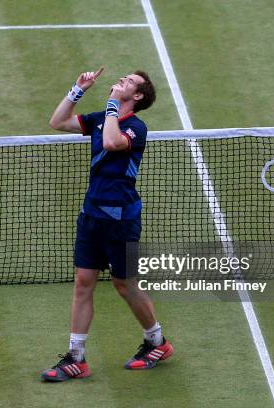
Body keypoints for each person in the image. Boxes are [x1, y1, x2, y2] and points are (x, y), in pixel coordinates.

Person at [41, 67, 173, 382]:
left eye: (130, 82)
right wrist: (78, 89)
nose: (122, 81)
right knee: (83, 283)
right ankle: (76, 358)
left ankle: (157, 342)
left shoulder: (137, 127)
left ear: (138, 96)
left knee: (124, 284)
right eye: (124, 78)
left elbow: (113, 143)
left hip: (121, 219)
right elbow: (57, 122)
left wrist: (112, 105)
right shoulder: (104, 116)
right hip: (92, 215)